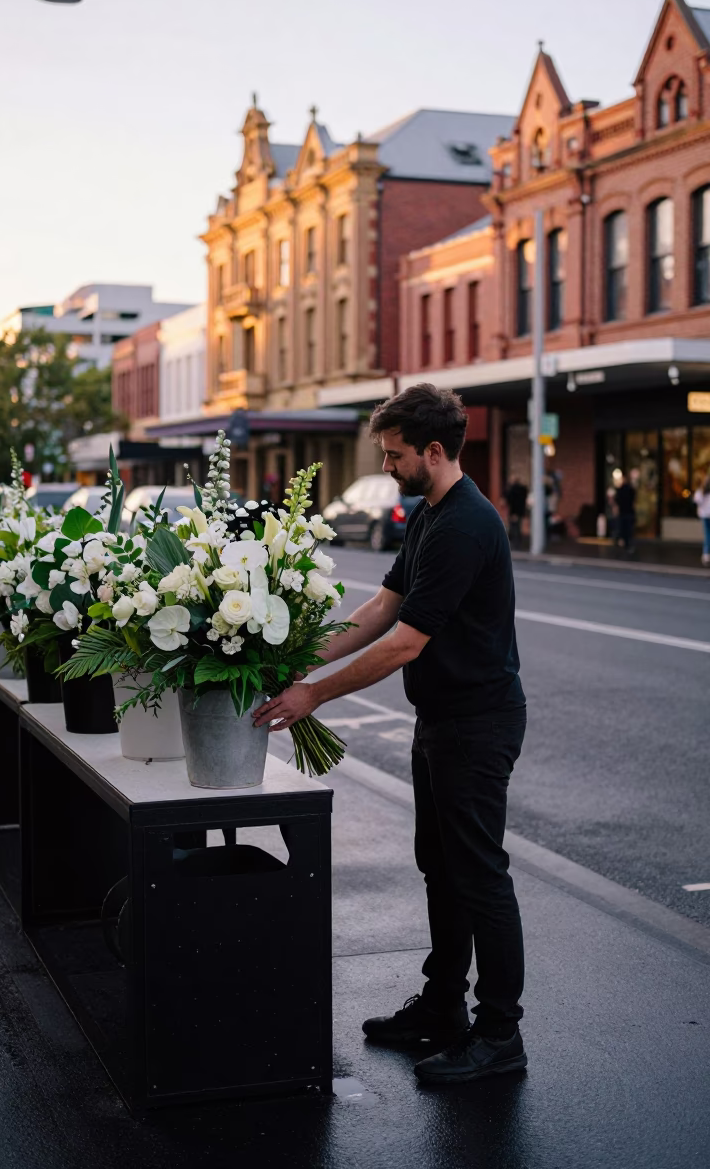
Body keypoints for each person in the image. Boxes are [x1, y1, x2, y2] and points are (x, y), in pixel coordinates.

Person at [254, 383, 528, 1085]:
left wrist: (312, 695)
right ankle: (444, 1008)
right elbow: (382, 607)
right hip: (442, 720)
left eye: (395, 454)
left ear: (433, 452)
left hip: (477, 722)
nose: (387, 465)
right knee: (441, 869)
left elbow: (405, 643)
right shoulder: (430, 514)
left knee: (479, 876)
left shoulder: (467, 523)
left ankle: (501, 1037)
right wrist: (297, 656)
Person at [613, 475, 636, 553]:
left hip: (623, 512)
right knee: (628, 530)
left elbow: (616, 502)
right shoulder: (631, 489)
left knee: (622, 529)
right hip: (629, 512)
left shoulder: (620, 490)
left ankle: (622, 542)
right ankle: (627, 545)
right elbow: (634, 501)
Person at [503, 474, 527, 547]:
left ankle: (514, 542)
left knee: (514, 527)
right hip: (520, 510)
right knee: (517, 526)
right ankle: (517, 541)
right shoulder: (523, 489)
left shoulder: (513, 489)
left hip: (514, 510)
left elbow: (510, 499)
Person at [693, 473, 710, 566]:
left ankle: (706, 554)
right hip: (707, 515)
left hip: (704, 515)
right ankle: (706, 554)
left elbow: (696, 500)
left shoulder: (701, 491)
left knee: (707, 534)